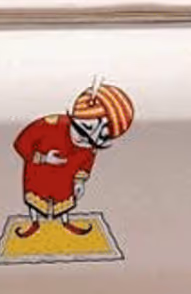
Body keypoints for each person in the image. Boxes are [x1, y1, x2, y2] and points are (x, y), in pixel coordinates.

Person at [12, 82, 135, 238]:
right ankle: (35, 223)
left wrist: (79, 181)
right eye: (87, 127)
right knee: (35, 200)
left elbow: (87, 163)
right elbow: (21, 143)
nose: (89, 139)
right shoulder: (50, 124)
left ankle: (65, 222)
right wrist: (43, 158)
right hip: (39, 174)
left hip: (65, 179)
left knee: (64, 201)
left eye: (100, 137)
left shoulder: (90, 145)